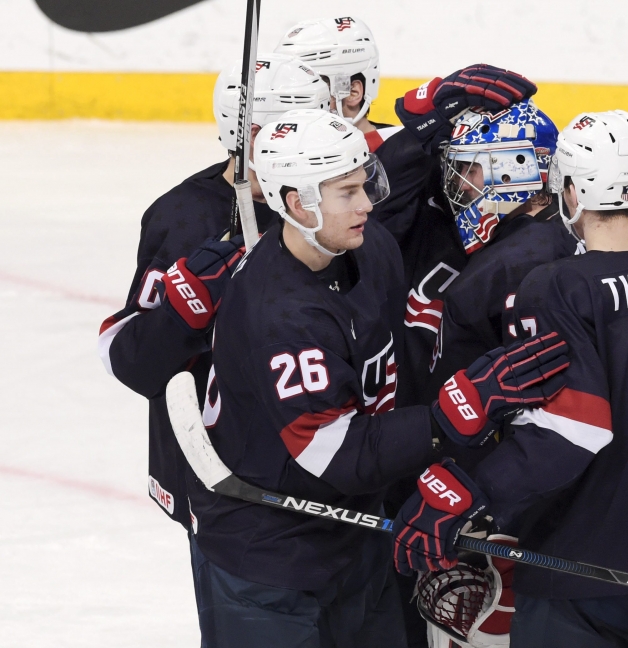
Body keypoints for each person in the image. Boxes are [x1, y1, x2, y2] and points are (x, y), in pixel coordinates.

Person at [188, 108, 570, 647]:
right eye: (347, 192)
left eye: (365, 185)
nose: (368, 204)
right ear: (298, 203)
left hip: (356, 533)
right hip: (270, 553)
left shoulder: (371, 249)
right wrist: (453, 413)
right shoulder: (282, 316)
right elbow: (338, 455)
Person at [393, 110, 628, 648]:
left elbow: (573, 427)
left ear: (573, 190)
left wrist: (471, 491)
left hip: (580, 560)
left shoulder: (555, 284)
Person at [97, 52, 328, 531]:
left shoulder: (329, 208)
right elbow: (134, 362)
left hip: (317, 461)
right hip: (221, 479)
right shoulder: (185, 217)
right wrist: (183, 310)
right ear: (253, 135)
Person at [427, 99, 582, 412]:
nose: (460, 182)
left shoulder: (489, 276)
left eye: (471, 168)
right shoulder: (585, 234)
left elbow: (451, 401)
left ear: (516, 168)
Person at [275, 16, 433, 246]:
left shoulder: (412, 155)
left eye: (308, 89)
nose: (292, 103)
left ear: (352, 92)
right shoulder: (283, 156)